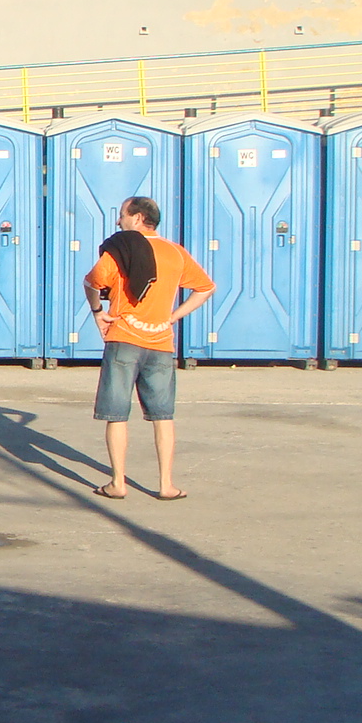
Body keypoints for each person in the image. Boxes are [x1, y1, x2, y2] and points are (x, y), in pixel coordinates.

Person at [84, 196, 213, 500]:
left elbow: (92, 283)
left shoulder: (120, 250)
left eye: (122, 215)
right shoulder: (175, 252)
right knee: (163, 415)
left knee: (116, 415)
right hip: (161, 342)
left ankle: (118, 483)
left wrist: (98, 312)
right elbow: (206, 288)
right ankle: (166, 485)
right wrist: (173, 317)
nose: (118, 221)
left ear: (138, 218)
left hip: (124, 339)